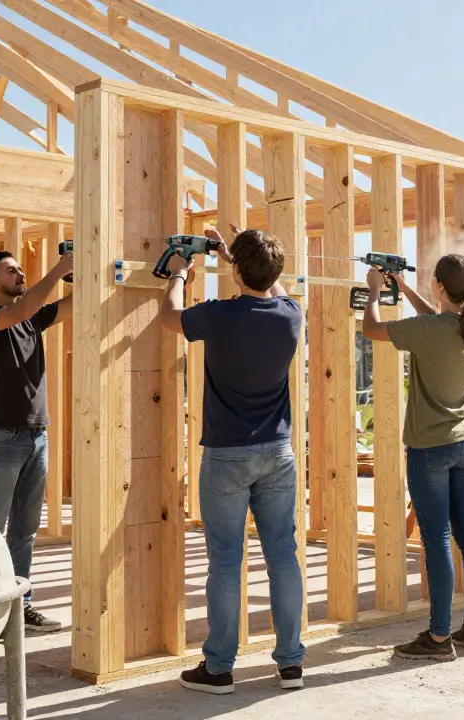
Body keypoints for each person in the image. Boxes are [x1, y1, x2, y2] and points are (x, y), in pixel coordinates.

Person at [158, 225, 305, 694]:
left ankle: (219, 669)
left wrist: (179, 273)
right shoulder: (290, 315)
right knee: (283, 556)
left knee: (225, 561)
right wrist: (237, 257)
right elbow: (272, 289)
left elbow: (170, 317)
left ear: (237, 271)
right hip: (278, 454)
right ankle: (290, 664)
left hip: (227, 456)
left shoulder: (218, 316)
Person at [360, 254, 464, 662]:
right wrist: (404, 285)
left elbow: (371, 329)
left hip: (429, 449)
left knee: (435, 541)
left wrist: (375, 292)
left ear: (439, 285)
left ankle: (438, 638)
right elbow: (436, 317)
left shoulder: (430, 329)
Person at [0, 249, 73, 633]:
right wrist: (60, 268)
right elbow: (24, 309)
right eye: (10, 270)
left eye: (18, 268)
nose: (19, 272)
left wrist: (82, 272)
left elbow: (70, 304)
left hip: (36, 436)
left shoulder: (32, 319)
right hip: (1, 437)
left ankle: (19, 607)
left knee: (25, 531)